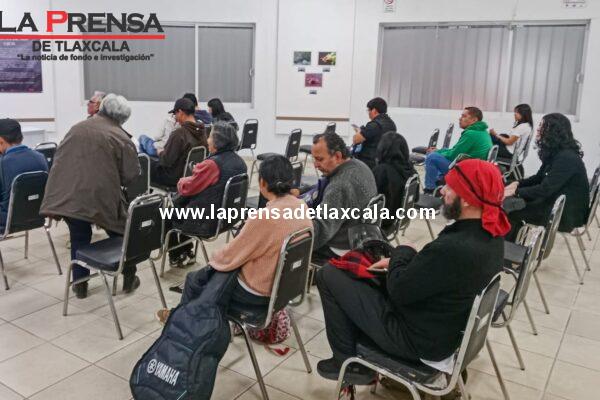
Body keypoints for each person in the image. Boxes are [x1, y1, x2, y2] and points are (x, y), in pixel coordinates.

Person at [315, 159, 508, 383]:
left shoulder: (454, 247)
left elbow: (398, 290)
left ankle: (346, 362)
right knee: (363, 274)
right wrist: (400, 261)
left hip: (415, 340)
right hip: (445, 330)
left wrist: (403, 251)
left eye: (450, 187)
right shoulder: (491, 235)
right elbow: (440, 274)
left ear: (466, 199)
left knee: (328, 274)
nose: (442, 191)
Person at [156, 155, 312, 324]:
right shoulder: (301, 206)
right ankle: (185, 318)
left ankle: (182, 324)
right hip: (285, 288)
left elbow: (229, 256)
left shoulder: (264, 217)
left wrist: (215, 257)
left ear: (262, 183)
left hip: (257, 292)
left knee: (195, 280)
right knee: (209, 280)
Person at [40, 94, 142, 299]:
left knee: (79, 237)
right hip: (99, 197)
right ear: (123, 119)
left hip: (66, 195)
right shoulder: (121, 138)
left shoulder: (76, 128)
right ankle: (129, 276)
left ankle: (80, 285)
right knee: (121, 232)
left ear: (101, 109)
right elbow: (130, 175)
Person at [166, 122, 247, 267]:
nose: (207, 140)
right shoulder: (240, 162)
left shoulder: (212, 164)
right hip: (228, 218)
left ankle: (176, 255)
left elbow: (187, 188)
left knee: (165, 214)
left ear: (217, 141)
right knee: (184, 206)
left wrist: (182, 180)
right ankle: (187, 250)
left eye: (209, 136)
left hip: (207, 222)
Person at [504, 113, 589, 241]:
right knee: (512, 198)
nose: (538, 129)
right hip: (556, 202)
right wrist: (517, 184)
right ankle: (512, 244)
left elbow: (545, 189)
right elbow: (539, 178)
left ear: (554, 131)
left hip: (566, 215)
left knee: (511, 209)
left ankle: (509, 249)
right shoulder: (557, 152)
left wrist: (516, 192)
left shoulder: (566, 158)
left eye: (542, 126)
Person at [306, 132, 377, 263]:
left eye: (320, 159)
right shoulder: (359, 166)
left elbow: (320, 231)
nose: (315, 165)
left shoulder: (339, 186)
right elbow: (325, 185)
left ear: (338, 156)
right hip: (361, 235)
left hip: (341, 248)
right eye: (314, 159)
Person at [424, 107, 492, 192]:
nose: (460, 118)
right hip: (475, 168)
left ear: (474, 120)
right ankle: (440, 181)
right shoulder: (483, 132)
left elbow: (454, 155)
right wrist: (440, 151)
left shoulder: (471, 134)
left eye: (464, 116)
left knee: (431, 157)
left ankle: (430, 189)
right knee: (442, 151)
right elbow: (456, 151)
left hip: (466, 172)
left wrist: (437, 152)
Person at [0, 119, 48, 231]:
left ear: (1, 140)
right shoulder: (40, 157)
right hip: (38, 217)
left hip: (8, 221)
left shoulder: (3, 163)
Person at [150, 97, 208, 188]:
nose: (175, 118)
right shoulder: (202, 131)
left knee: (145, 164)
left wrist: (160, 152)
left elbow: (166, 161)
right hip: (191, 175)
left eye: (175, 114)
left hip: (174, 178)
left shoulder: (179, 134)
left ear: (180, 112)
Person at [372, 131, 417, 235]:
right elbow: (416, 198)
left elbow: (370, 199)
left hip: (381, 222)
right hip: (397, 220)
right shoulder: (411, 170)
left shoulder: (381, 171)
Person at [351, 97, 397, 169]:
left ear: (374, 111)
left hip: (369, 163)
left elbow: (356, 140)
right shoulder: (392, 124)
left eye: (369, 110)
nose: (368, 113)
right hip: (385, 162)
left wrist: (359, 131)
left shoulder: (374, 125)